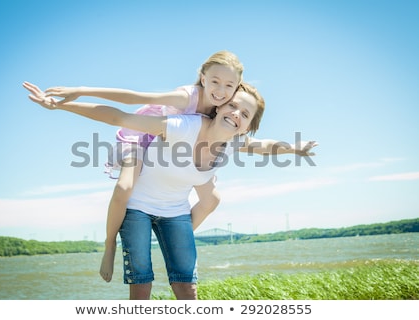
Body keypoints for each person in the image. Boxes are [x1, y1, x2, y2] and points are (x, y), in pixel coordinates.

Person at [24, 81, 317, 300]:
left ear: (247, 127)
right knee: (142, 285)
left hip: (174, 211)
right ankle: (109, 244)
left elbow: (263, 146)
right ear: (220, 106)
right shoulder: (183, 126)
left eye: (245, 114)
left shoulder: (232, 143)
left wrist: (295, 149)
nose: (236, 113)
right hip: (136, 207)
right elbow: (120, 118)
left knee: (187, 287)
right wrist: (58, 105)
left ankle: (175, 245)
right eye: (232, 105)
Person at [42, 51, 245, 283]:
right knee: (124, 186)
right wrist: (79, 92)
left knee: (212, 198)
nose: (220, 90)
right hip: (142, 135)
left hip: (174, 150)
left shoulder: (229, 107)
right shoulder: (186, 97)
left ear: (237, 86)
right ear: (203, 77)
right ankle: (110, 245)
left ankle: (172, 242)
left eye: (229, 85)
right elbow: (133, 98)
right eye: (215, 81)